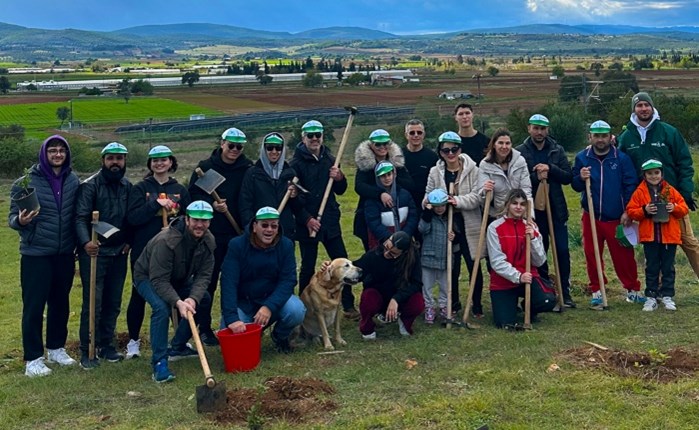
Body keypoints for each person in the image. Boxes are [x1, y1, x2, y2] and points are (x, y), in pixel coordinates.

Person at [9, 135, 80, 377]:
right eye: (53, 150)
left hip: (64, 253)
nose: (58, 154)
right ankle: (33, 359)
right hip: (36, 253)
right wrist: (21, 220)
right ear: (44, 154)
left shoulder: (73, 180)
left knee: (60, 303)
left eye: (61, 150)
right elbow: (12, 218)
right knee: (34, 306)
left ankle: (56, 348)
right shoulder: (26, 182)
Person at [617, 92, 699, 278]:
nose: (643, 109)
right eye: (639, 106)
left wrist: (685, 192)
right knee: (654, 245)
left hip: (672, 199)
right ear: (634, 109)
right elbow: (620, 166)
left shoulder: (669, 132)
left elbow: (684, 163)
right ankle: (658, 290)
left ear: (652, 107)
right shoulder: (626, 137)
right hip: (645, 202)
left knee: (689, 242)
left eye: (647, 105)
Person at [133, 201, 216, 382]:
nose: (200, 225)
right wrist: (178, 302)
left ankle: (178, 347)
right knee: (161, 308)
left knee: (205, 299)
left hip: (179, 278)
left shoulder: (208, 241)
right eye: (195, 220)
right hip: (147, 277)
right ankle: (159, 363)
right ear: (186, 219)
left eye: (205, 221)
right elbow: (159, 280)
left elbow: (204, 275)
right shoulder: (167, 241)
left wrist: (193, 299)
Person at [188, 127, 253, 345]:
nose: (234, 150)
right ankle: (204, 329)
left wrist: (247, 227)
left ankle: (236, 323)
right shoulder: (205, 169)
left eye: (239, 146)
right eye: (231, 145)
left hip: (238, 235)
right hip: (210, 235)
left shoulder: (247, 168)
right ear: (222, 143)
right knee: (208, 283)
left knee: (236, 281)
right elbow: (192, 196)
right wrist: (212, 206)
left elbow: (250, 197)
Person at [126, 145, 191, 359]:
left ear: (171, 162)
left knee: (175, 294)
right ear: (150, 164)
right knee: (139, 296)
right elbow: (133, 218)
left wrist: (173, 226)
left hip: (172, 253)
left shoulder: (180, 190)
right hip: (143, 253)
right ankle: (133, 342)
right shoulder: (140, 188)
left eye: (163, 159)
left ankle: (178, 341)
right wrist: (155, 204)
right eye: (155, 160)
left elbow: (188, 221)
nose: (159, 163)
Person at [571, 121, 642, 307]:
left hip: (617, 217)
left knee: (624, 255)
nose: (600, 139)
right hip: (591, 215)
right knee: (592, 254)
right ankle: (597, 290)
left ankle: (632, 289)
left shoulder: (621, 159)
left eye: (604, 135)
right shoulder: (582, 158)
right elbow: (574, 185)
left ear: (611, 137)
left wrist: (628, 210)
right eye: (596, 135)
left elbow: (630, 185)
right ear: (590, 137)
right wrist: (580, 177)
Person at [75, 142, 132, 369]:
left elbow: (131, 218)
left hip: (119, 253)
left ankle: (107, 345)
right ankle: (87, 349)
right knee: (93, 302)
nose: (115, 163)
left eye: (119, 158)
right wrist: (86, 242)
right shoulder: (90, 186)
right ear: (103, 161)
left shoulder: (128, 186)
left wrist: (129, 241)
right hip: (95, 253)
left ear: (125, 161)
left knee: (113, 302)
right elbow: (80, 217)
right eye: (111, 158)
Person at [290, 120, 353, 317]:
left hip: (329, 221)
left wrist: (340, 177)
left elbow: (341, 190)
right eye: (310, 135)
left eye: (318, 134)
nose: (315, 138)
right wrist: (307, 219)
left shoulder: (331, 159)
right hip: (307, 224)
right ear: (303, 138)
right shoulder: (295, 165)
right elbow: (293, 199)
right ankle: (303, 308)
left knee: (343, 263)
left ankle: (349, 305)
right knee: (308, 266)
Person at [220, 207, 305, 353]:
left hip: (273, 302)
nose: (269, 230)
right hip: (244, 303)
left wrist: (269, 306)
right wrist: (232, 317)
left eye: (274, 226)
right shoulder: (237, 245)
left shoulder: (286, 245)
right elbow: (228, 283)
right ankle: (252, 332)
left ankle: (280, 336)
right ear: (254, 226)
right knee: (231, 334)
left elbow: (288, 280)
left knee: (296, 310)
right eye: (264, 225)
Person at [516, 114, 576, 308]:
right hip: (533, 212)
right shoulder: (520, 152)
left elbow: (568, 177)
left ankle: (565, 292)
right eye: (536, 128)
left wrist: (550, 169)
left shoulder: (557, 150)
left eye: (543, 129)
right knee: (538, 253)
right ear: (529, 129)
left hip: (556, 210)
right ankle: (544, 290)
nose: (539, 132)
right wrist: (536, 175)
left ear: (547, 130)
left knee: (562, 251)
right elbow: (519, 182)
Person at [425, 131, 483, 318]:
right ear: (440, 152)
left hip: (468, 221)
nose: (450, 153)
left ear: (460, 149)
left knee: (473, 262)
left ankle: (477, 305)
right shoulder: (435, 172)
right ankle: (454, 302)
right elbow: (427, 195)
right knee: (452, 264)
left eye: (454, 149)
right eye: (445, 150)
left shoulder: (473, 170)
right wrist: (428, 203)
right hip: (446, 223)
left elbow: (477, 197)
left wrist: (456, 200)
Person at [487, 189, 556, 329]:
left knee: (548, 300)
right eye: (514, 203)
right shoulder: (494, 228)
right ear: (507, 205)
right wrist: (518, 276)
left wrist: (534, 238)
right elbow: (496, 262)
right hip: (503, 281)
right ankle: (509, 305)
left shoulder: (530, 227)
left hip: (529, 278)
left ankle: (529, 307)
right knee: (505, 323)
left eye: (522, 204)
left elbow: (540, 261)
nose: (518, 207)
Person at [626, 160, 688, 312]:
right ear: (644, 175)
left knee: (668, 267)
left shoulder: (670, 190)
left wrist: (674, 207)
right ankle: (651, 296)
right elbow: (631, 210)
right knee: (652, 267)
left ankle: (667, 296)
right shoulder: (640, 192)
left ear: (661, 174)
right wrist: (645, 210)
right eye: (649, 173)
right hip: (650, 237)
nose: (653, 176)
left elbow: (684, 208)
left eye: (656, 173)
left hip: (669, 237)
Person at [352, 231, 424, 339]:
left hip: (400, 295)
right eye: (386, 247)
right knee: (368, 298)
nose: (386, 253)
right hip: (378, 295)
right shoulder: (373, 255)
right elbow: (355, 268)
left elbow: (417, 283)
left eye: (392, 253)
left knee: (418, 302)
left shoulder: (413, 258)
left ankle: (405, 321)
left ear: (403, 253)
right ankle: (367, 328)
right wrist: (332, 266)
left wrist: (396, 299)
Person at [354, 128, 415, 252]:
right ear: (371, 145)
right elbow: (359, 186)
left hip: (397, 210)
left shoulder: (397, 162)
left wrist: (391, 177)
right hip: (372, 211)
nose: (382, 147)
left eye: (385, 143)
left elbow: (410, 184)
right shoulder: (365, 164)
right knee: (375, 252)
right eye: (378, 144)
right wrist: (380, 193)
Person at [238, 132, 301, 239]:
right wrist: (251, 228)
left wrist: (295, 196)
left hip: (284, 231)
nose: (274, 152)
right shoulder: (252, 174)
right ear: (264, 149)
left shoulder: (290, 174)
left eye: (278, 148)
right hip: (261, 232)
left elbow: (298, 206)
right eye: (270, 148)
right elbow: (245, 203)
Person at [478, 128, 531, 220]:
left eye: (507, 143)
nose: (504, 146)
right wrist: (485, 190)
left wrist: (529, 216)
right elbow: (482, 198)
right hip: (497, 215)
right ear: (494, 144)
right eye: (501, 143)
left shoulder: (520, 161)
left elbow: (526, 189)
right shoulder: (485, 165)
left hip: (519, 213)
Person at [418, 189, 455, 324]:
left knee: (445, 285)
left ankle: (444, 306)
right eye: (437, 206)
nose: (440, 209)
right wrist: (427, 213)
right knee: (427, 285)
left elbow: (457, 232)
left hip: (445, 258)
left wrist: (454, 236)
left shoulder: (449, 219)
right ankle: (429, 307)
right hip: (428, 257)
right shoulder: (428, 218)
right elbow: (422, 229)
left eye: (442, 205)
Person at [364, 161, 418, 250]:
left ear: (394, 174)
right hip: (382, 242)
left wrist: (405, 235)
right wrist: (391, 239)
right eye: (383, 176)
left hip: (405, 240)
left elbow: (412, 216)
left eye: (389, 174)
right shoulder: (372, 200)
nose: (387, 178)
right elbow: (373, 223)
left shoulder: (405, 194)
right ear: (377, 178)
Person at [401, 119, 439, 222]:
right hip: (403, 204)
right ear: (406, 135)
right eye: (412, 133)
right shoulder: (398, 156)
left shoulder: (432, 157)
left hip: (424, 204)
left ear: (424, 134)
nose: (416, 135)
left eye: (419, 132)